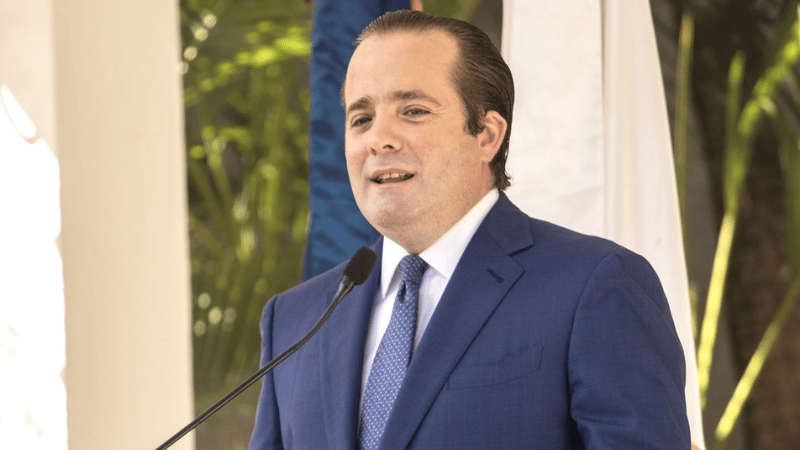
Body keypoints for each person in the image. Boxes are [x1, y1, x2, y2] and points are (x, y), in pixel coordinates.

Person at [250, 10, 690, 450]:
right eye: (361, 118)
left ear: (487, 135)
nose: (378, 139)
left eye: (413, 111)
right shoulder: (294, 320)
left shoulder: (596, 285)